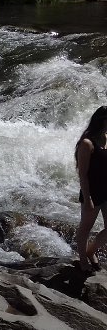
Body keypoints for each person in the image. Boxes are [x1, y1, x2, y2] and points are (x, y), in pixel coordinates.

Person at [75, 105, 107, 273]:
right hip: (92, 192)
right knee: (86, 227)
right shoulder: (87, 143)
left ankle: (91, 251)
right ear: (102, 121)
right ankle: (82, 259)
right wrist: (87, 199)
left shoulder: (106, 138)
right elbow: (83, 174)